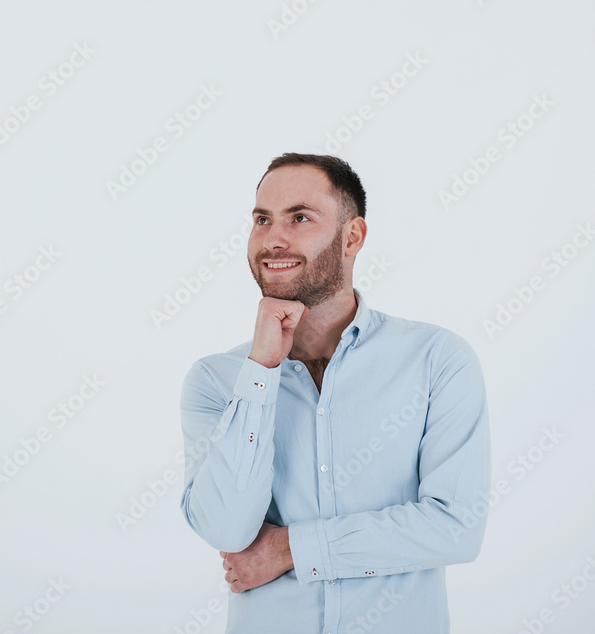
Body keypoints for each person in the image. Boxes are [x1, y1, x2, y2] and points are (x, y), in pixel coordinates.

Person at [178, 153, 491, 633]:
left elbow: (455, 528)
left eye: (299, 217)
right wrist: (261, 371)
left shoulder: (436, 360)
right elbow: (227, 530)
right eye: (262, 220)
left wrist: (290, 550)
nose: (273, 239)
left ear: (353, 237)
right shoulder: (217, 380)